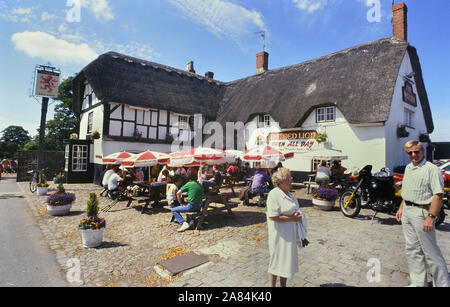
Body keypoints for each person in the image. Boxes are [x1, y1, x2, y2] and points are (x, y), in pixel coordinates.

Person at [396, 140, 449, 287]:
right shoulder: (408, 168)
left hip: (422, 213)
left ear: (423, 151)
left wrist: (431, 217)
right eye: (410, 153)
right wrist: (401, 208)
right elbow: (406, 192)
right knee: (412, 250)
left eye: (416, 151)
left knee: (431, 252)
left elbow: (438, 195)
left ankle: (443, 284)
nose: (413, 155)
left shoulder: (432, 169)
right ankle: (418, 283)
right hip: (407, 210)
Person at [266, 168, 307, 287]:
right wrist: (292, 218)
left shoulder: (290, 194)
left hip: (289, 235)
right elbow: (273, 216)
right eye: (289, 178)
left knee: (285, 263)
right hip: (279, 235)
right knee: (276, 261)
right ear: (281, 181)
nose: (292, 180)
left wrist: (298, 214)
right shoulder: (274, 194)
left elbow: (296, 209)